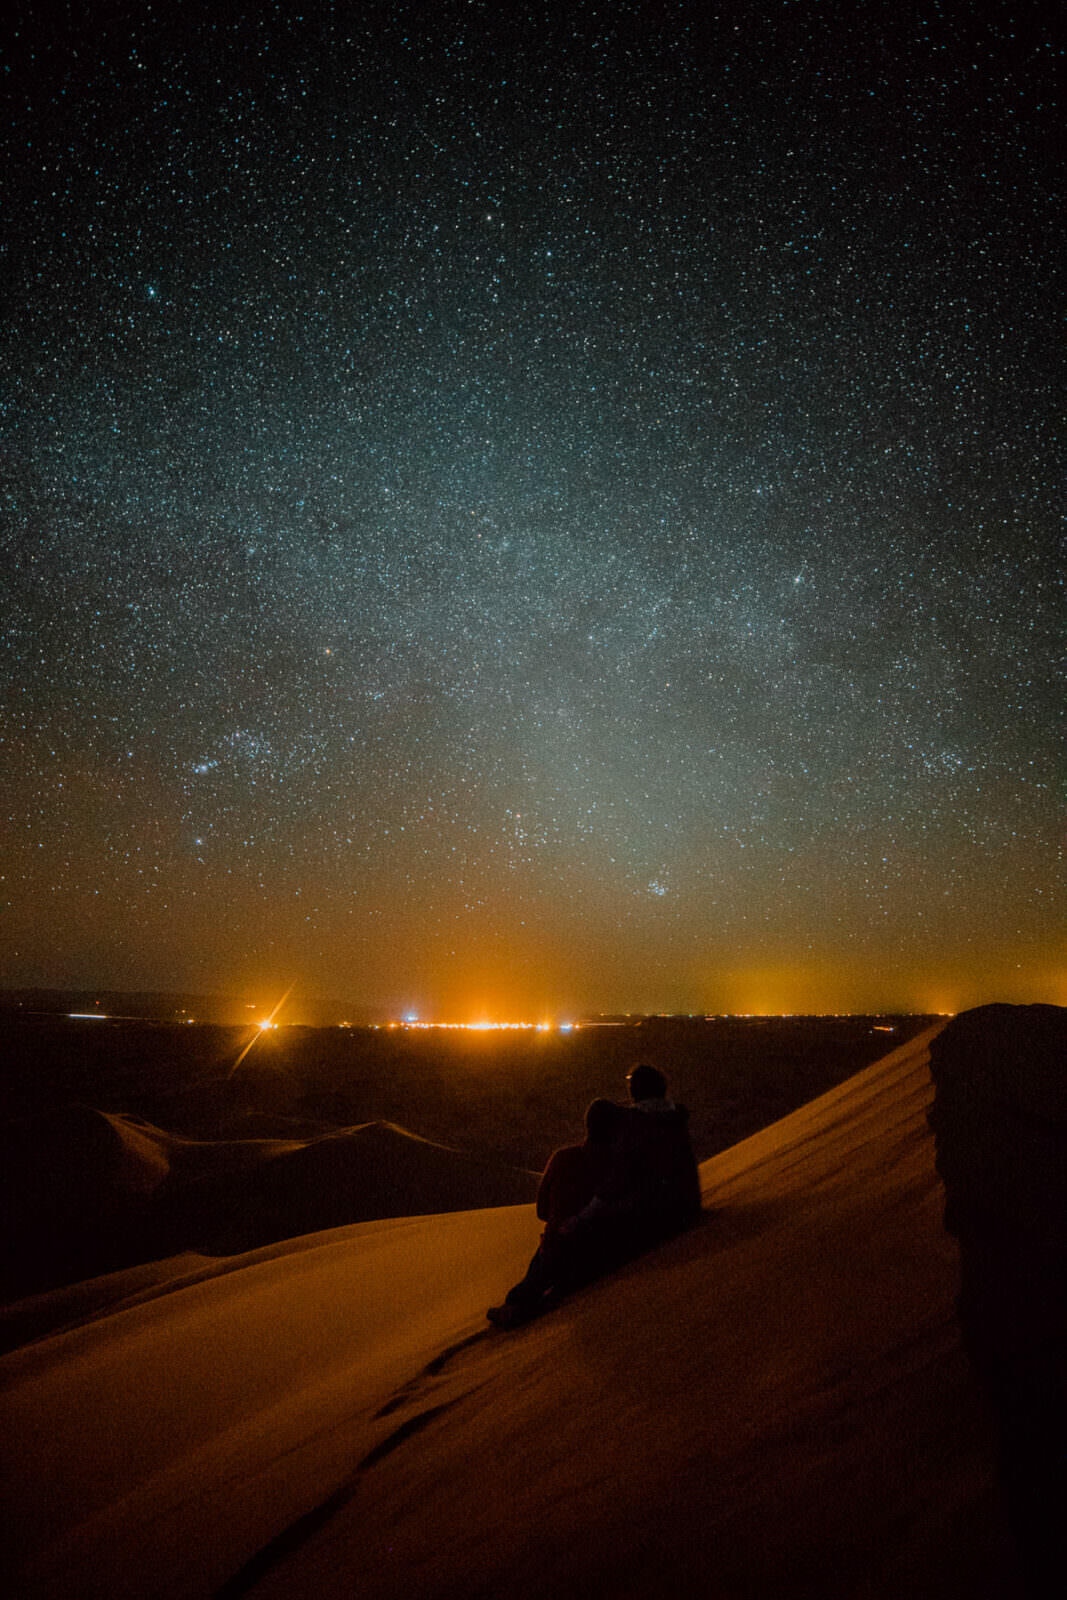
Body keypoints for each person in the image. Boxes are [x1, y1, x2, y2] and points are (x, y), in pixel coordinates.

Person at [487, 1098, 629, 1327]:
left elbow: (542, 1211)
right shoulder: (616, 1164)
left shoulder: (562, 1157)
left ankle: (518, 1303)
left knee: (536, 1275)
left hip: (556, 1249)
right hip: (596, 1253)